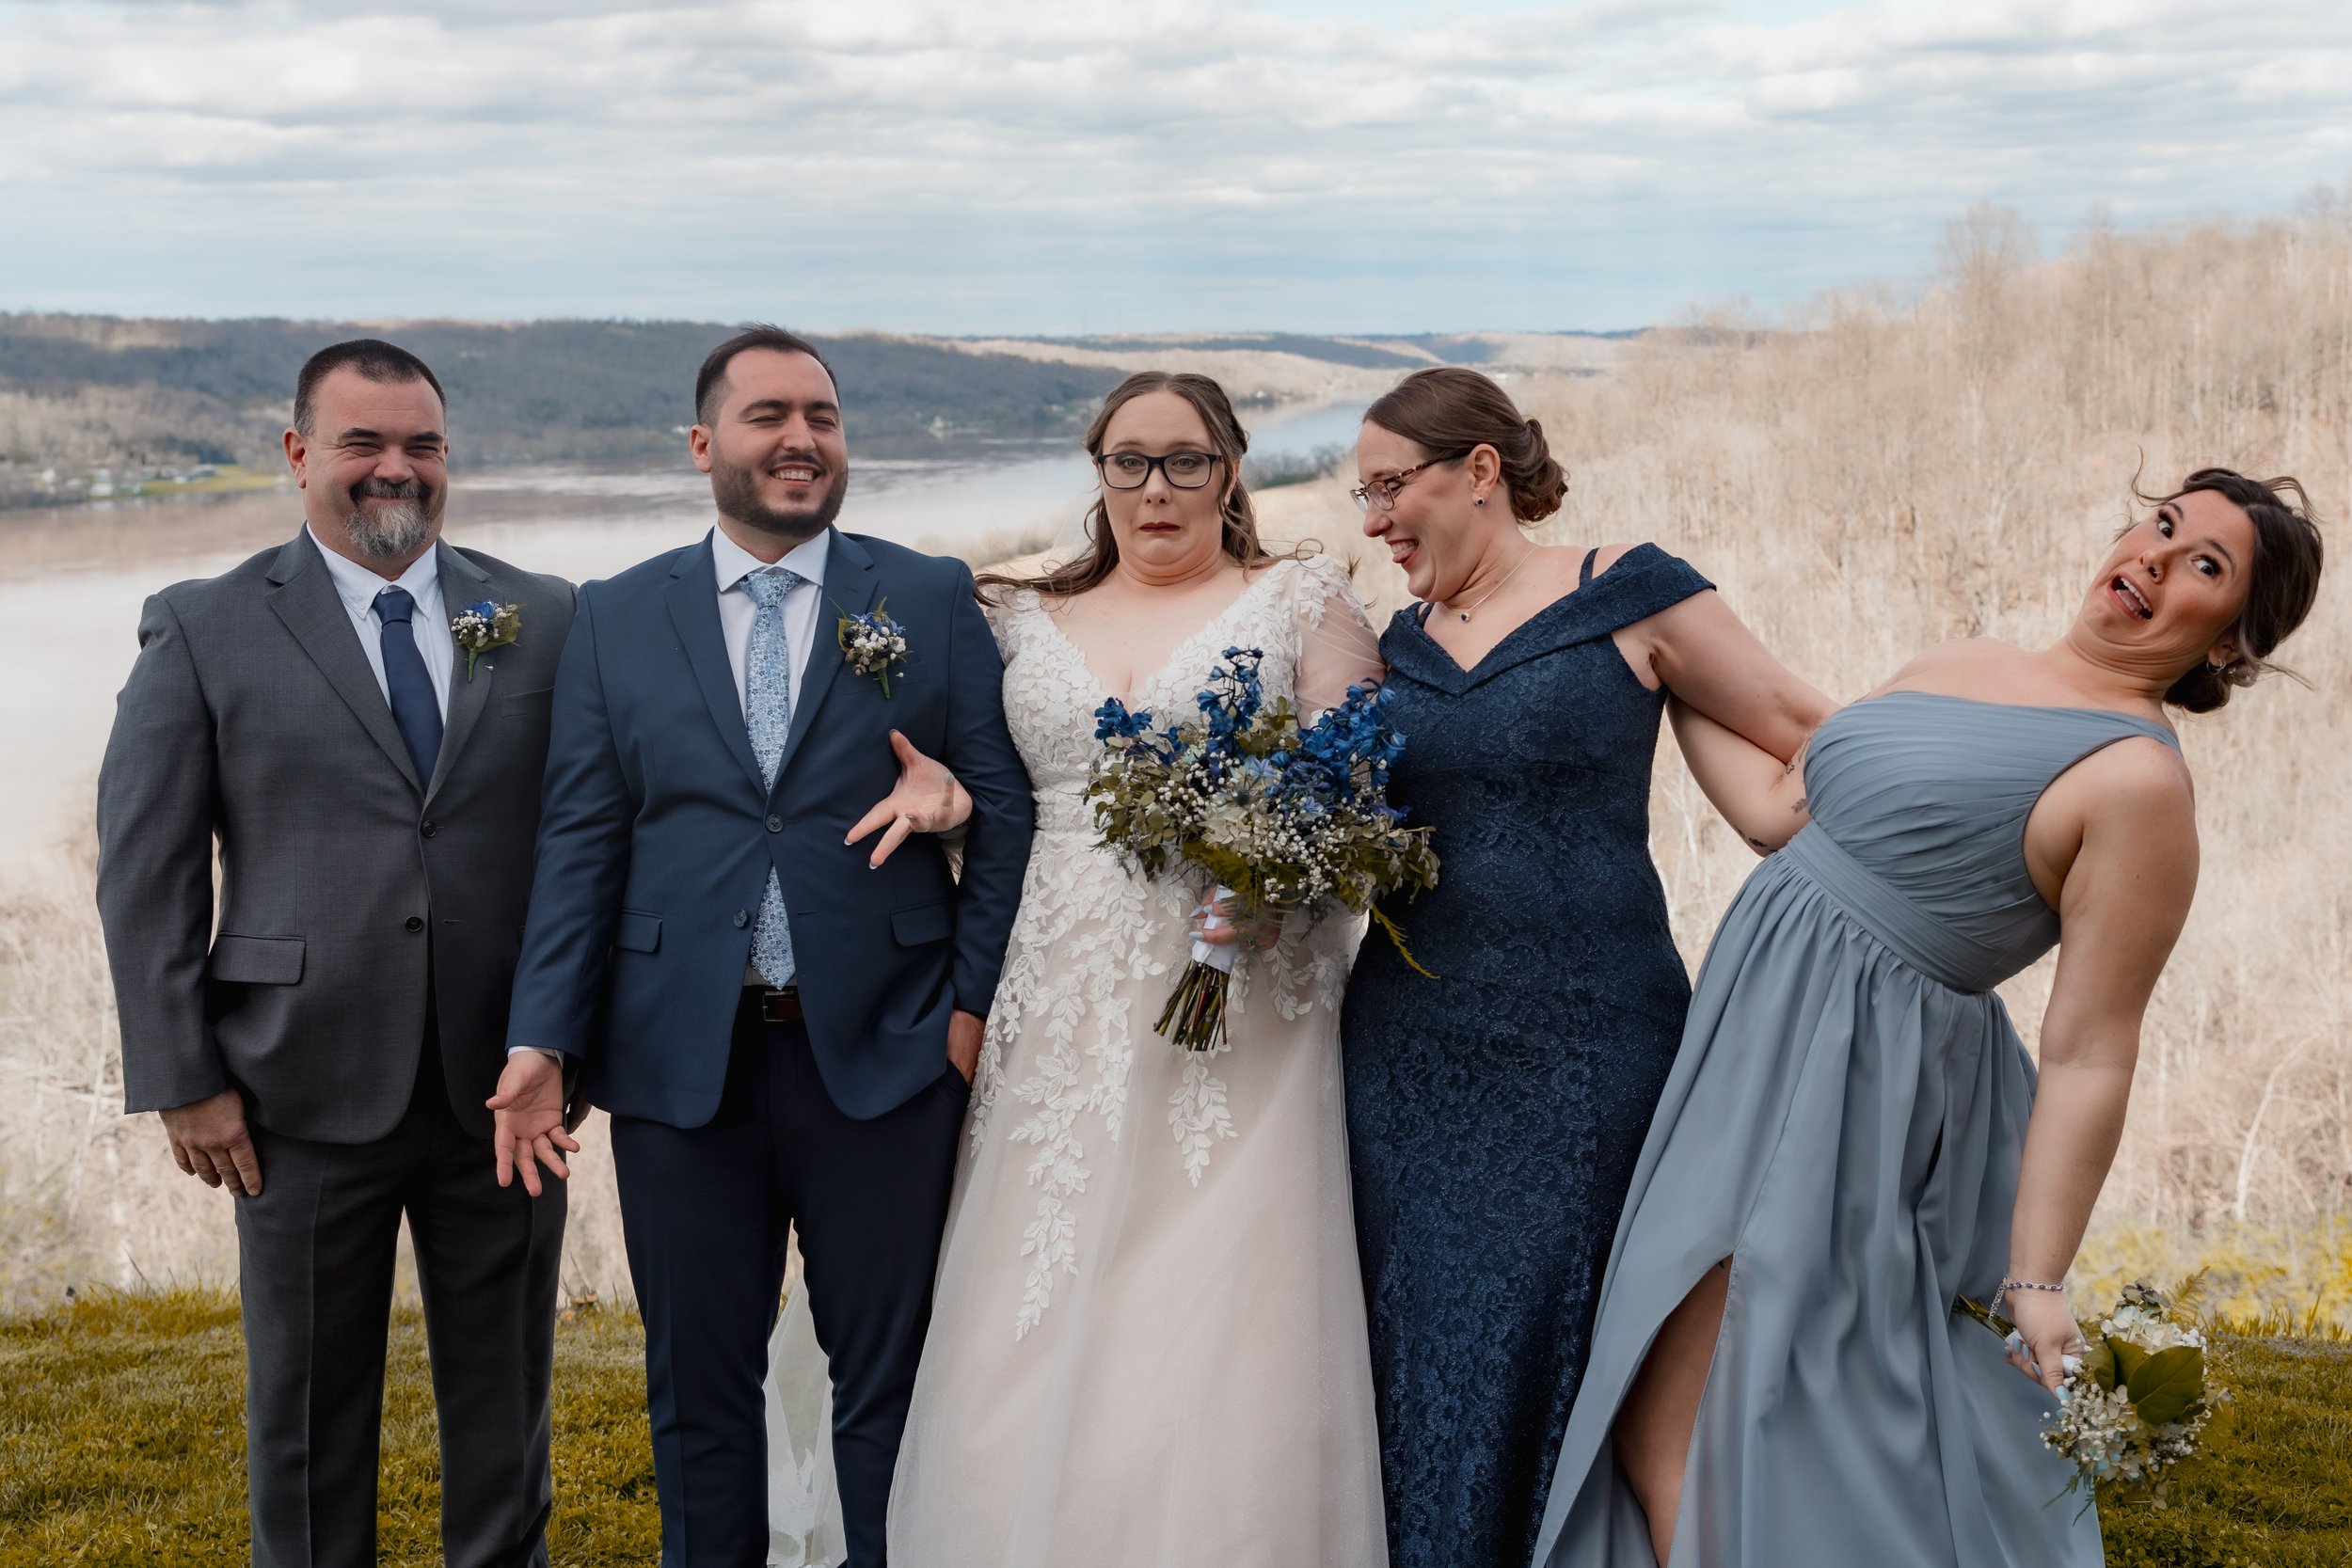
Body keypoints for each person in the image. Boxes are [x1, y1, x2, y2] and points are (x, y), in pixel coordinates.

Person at [1532, 469, 2326, 1567]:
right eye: (2161, 523)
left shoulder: (2137, 784)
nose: (2153, 555)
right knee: (1681, 1411)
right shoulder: (1961, 658)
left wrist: (2037, 1277)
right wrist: (1660, 653)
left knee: (1695, 1417)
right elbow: (1776, 814)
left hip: (1851, 1089)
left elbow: (2091, 1048)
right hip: (1740, 1055)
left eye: (2203, 563)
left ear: (2232, 641)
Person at [766, 370, 1391, 1565]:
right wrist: (949, 804)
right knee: (1028, 1302)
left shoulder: (1301, 598)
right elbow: (973, 782)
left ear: (1229, 469)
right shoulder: (1012, 611)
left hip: (1238, 1007)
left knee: (1209, 1306)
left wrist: (1276, 883)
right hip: (1049, 999)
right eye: (1128, 461)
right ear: (1097, 471)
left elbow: (1352, 799)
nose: (1155, 489)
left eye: (1184, 461)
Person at [492, 325, 1033, 1568]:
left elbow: (1003, 816)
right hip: (678, 1065)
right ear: (703, 443)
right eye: (770, 416)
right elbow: (580, 840)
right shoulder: (617, 614)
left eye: (822, 417)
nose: (802, 440)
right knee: (698, 1390)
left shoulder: (929, 596)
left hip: (890, 1055)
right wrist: (543, 1036)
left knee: (893, 1385)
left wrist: (966, 1013)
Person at [1338, 367, 1835, 1568]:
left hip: (1590, 1048)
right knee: (1420, 1343)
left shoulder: (1631, 591)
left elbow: (1809, 742)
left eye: (1390, 486)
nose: (1375, 519)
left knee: (1553, 1333)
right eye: (1363, 495)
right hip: (1405, 1055)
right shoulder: (1390, 650)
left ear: (1479, 469)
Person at [94, 339, 577, 1568]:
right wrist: (183, 1075)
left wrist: (565, 1036)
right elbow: (146, 871)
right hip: (293, 1089)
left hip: (506, 1089)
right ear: (300, 452)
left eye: (422, 444)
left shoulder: (544, 614)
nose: (395, 467)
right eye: (363, 441)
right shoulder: (203, 625)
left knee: (507, 1406)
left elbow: (589, 841)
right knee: (306, 1420)